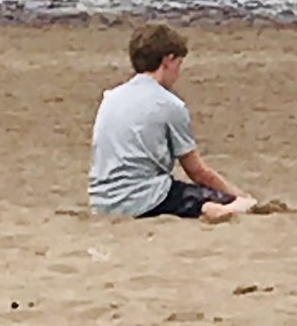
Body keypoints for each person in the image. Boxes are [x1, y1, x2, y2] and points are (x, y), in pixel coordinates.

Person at [89, 21, 256, 222]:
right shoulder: (169, 105)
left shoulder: (110, 97)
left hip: (101, 200)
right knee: (225, 201)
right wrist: (237, 195)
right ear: (167, 60)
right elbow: (198, 172)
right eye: (178, 63)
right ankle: (215, 208)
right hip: (143, 198)